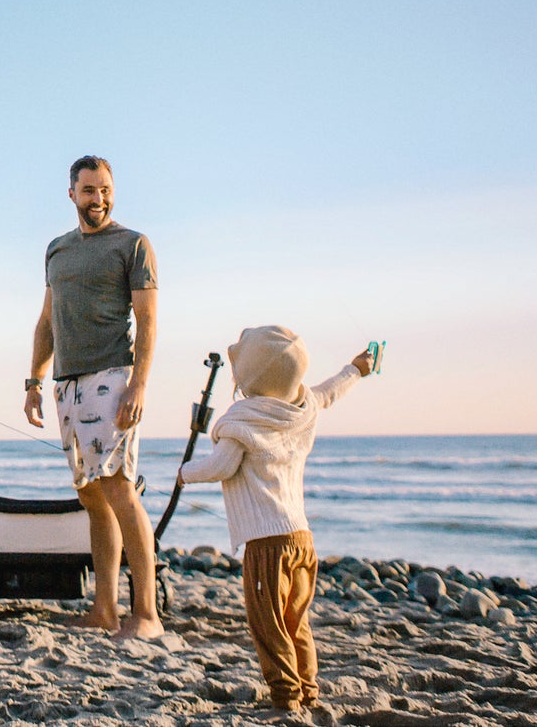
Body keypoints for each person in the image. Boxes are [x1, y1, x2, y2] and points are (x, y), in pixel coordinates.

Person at [176, 327, 376, 714]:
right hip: (302, 538)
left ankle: (285, 697)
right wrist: (357, 369)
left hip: (267, 544)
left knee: (269, 626)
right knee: (295, 620)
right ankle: (308, 689)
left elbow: (221, 465)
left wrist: (185, 472)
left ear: (247, 378)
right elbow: (332, 390)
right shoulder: (304, 408)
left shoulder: (241, 420)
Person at [25, 154, 164, 639]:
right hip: (67, 382)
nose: (98, 199)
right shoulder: (56, 250)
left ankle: (145, 614)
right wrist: (33, 382)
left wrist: (139, 385)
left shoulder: (132, 244)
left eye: (105, 189)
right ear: (71, 194)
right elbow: (47, 322)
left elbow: (146, 323)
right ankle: (105, 609)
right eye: (89, 191)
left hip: (112, 379)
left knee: (120, 489)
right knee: (91, 496)